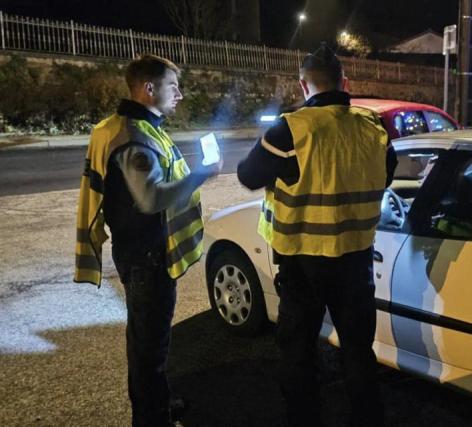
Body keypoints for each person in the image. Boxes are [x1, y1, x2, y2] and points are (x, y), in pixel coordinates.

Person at [237, 43, 396, 427]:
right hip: (356, 259)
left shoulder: (290, 130)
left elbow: (248, 175)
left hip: (303, 263)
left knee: (298, 354)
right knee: (358, 352)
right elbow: (387, 174)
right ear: (345, 82)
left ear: (303, 85)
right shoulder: (373, 127)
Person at [74, 54, 221, 426]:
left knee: (145, 340)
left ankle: (158, 401)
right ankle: (151, 417)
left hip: (140, 252)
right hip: (148, 257)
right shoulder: (134, 136)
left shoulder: (124, 126)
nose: (180, 95)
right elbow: (151, 197)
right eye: (174, 87)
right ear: (149, 88)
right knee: (149, 347)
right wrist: (202, 174)